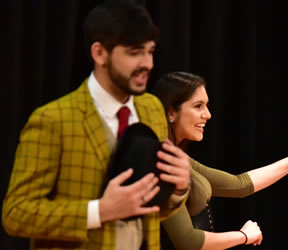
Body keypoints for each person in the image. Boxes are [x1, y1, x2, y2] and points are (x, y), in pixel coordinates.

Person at [2, 1, 191, 250]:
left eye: (150, 51)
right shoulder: (51, 120)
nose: (148, 64)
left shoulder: (152, 108)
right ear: (99, 53)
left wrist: (177, 189)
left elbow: (150, 210)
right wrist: (99, 211)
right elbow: (15, 214)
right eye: (135, 52)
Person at [151, 71, 288, 249]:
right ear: (171, 113)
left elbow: (239, 184)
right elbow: (188, 241)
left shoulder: (177, 158)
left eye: (206, 105)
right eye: (198, 106)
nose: (208, 114)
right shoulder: (160, 162)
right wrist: (243, 236)